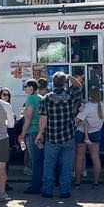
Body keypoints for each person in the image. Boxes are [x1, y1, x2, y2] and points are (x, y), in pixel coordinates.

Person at [36, 72, 82, 200]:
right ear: (64, 83)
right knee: (67, 166)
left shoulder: (46, 98)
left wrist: (40, 134)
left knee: (49, 165)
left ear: (53, 83)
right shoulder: (70, 95)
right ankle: (64, 191)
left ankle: (47, 191)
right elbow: (78, 86)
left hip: (51, 137)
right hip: (68, 136)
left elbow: (43, 119)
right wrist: (70, 76)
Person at [74, 88, 104, 188]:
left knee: (80, 157)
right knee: (95, 158)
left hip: (82, 133)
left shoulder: (88, 106)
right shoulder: (102, 106)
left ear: (90, 96)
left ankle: (77, 182)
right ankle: (96, 182)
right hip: (95, 133)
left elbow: (77, 120)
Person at [19, 79, 44, 195]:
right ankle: (42, 183)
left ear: (31, 88)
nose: (25, 89)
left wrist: (22, 134)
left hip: (32, 132)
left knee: (35, 160)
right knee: (40, 159)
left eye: (26, 86)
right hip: (41, 132)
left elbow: (28, 118)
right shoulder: (41, 98)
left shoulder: (30, 99)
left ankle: (35, 186)